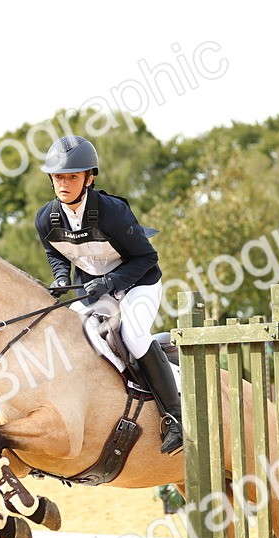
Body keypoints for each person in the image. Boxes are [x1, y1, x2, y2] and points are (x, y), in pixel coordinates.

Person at [34, 135, 182, 454]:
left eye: (72, 176)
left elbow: (147, 258)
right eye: (59, 176)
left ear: (89, 178)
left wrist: (111, 281)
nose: (64, 183)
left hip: (138, 284)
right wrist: (61, 277)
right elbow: (56, 253)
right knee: (71, 340)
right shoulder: (46, 218)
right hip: (93, 291)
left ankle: (174, 418)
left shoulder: (112, 212)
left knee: (131, 333)